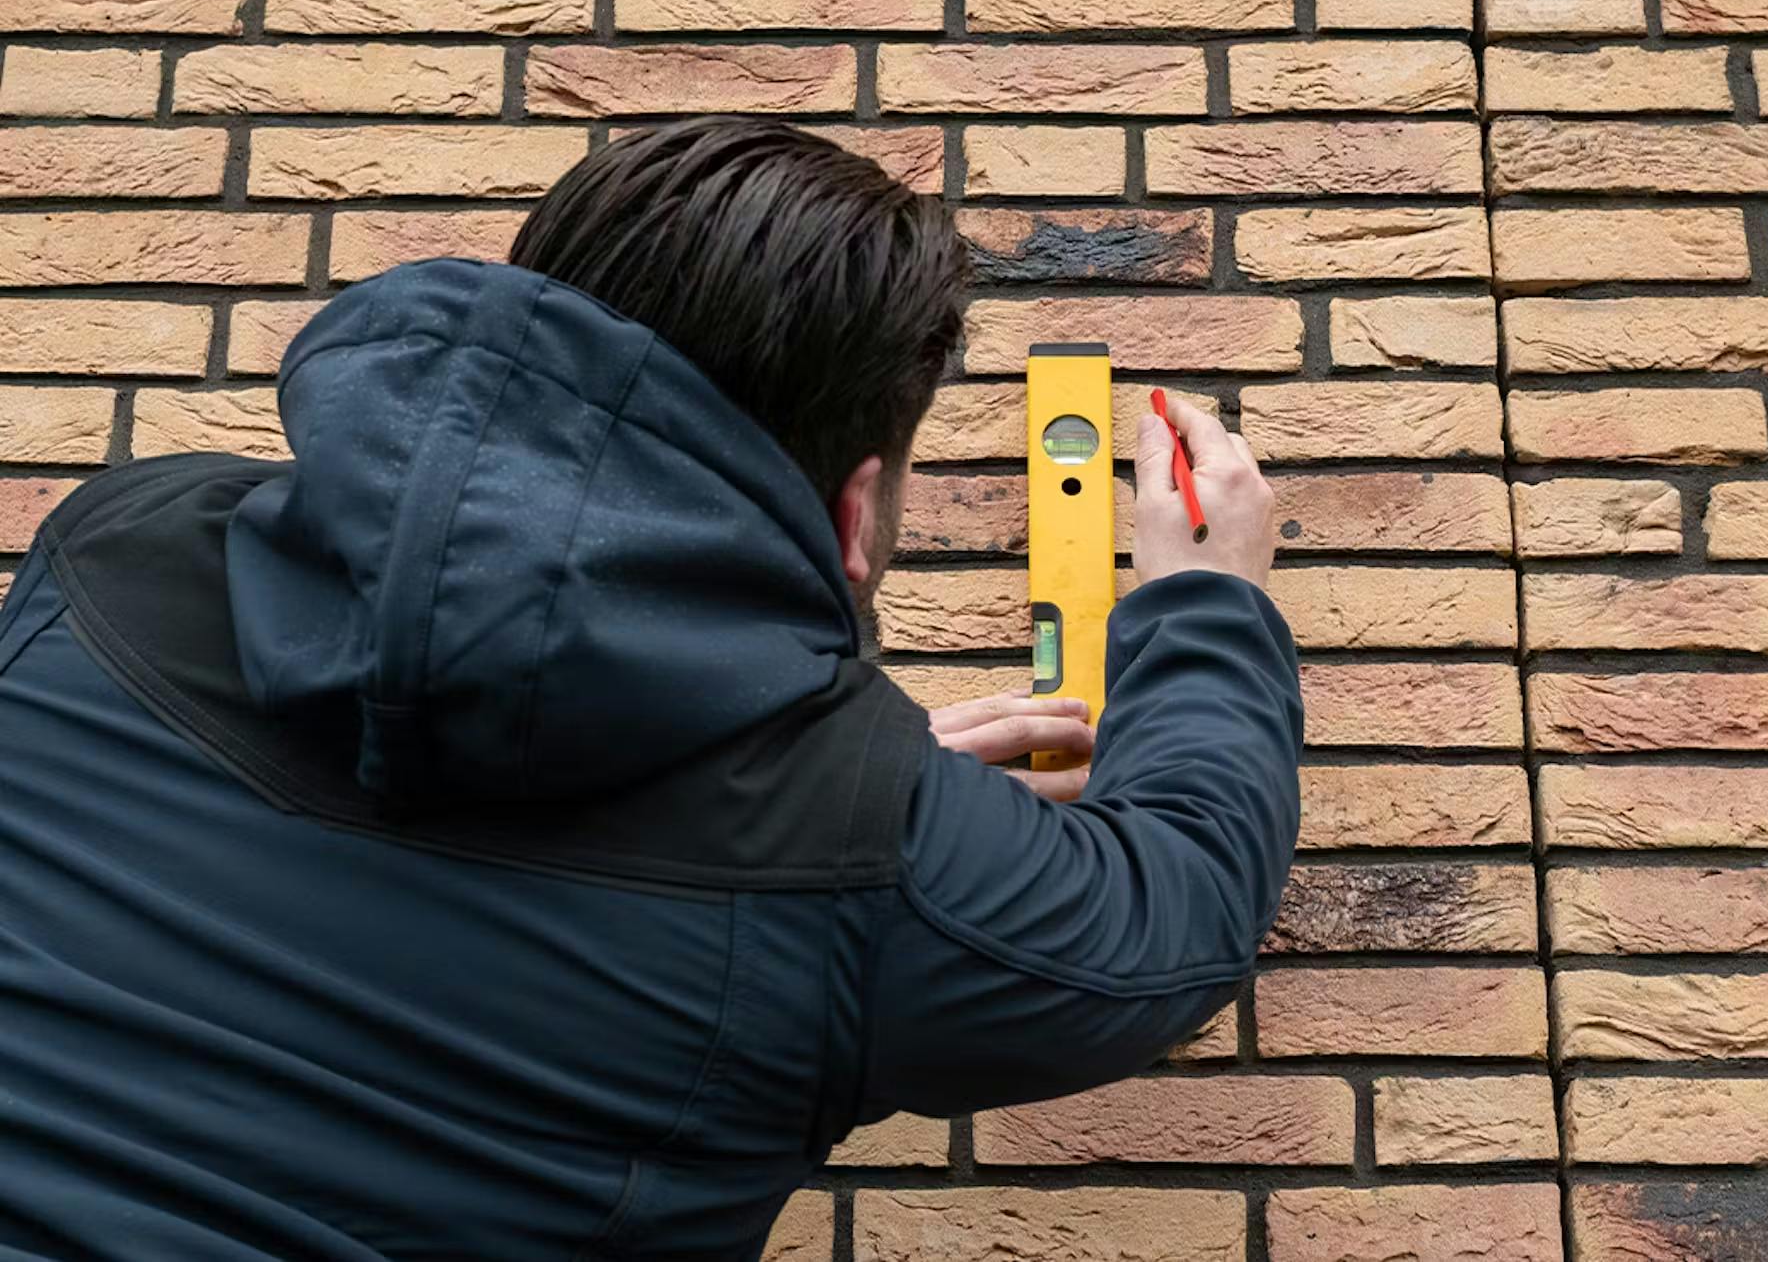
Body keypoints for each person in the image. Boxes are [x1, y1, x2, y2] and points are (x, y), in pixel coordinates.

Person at [0, 119, 1302, 1259]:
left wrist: (841, 822)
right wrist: (1207, 599)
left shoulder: (121, 547)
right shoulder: (852, 841)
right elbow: (1173, 910)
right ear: (857, 512)